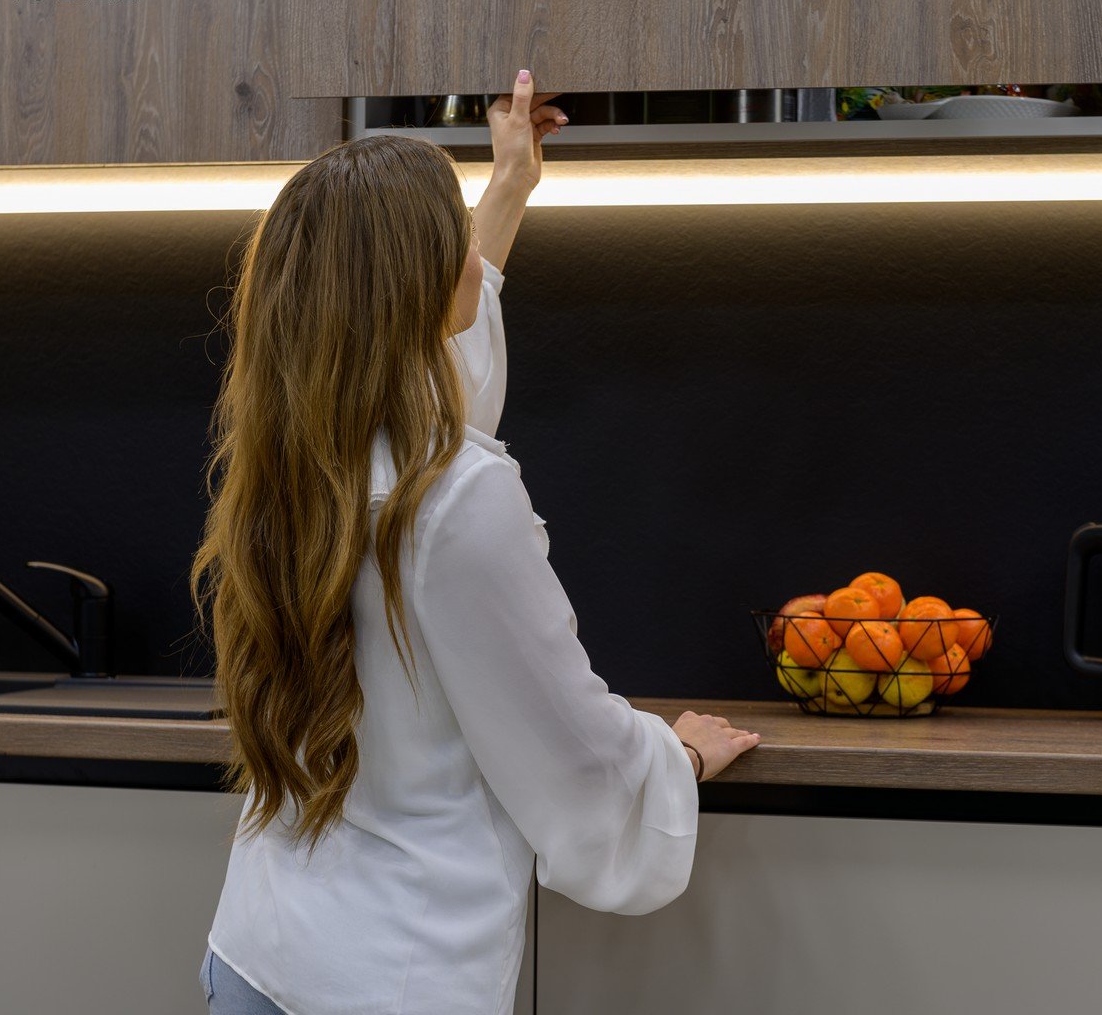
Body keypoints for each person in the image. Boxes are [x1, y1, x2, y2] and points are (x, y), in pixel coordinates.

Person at [190, 70, 762, 1014]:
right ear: (412, 286)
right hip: (392, 982)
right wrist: (677, 758)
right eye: (453, 236)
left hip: (257, 955)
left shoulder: (301, 460)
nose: (471, 253)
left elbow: (446, 357)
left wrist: (509, 185)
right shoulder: (458, 498)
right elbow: (568, 744)